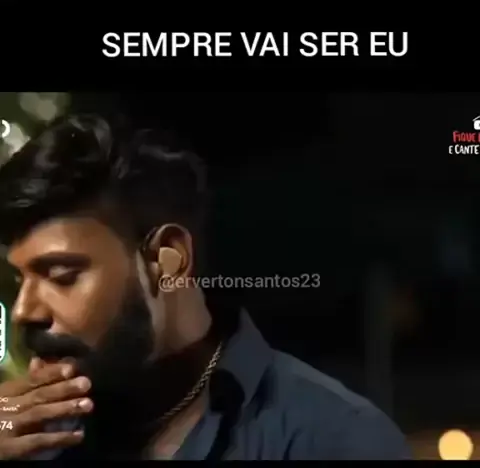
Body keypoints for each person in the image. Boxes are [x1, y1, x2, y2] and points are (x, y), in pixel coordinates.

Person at [0, 114, 411, 460]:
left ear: (167, 259)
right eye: (21, 279)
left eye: (60, 275)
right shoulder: (28, 441)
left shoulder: (332, 439)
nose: (23, 311)